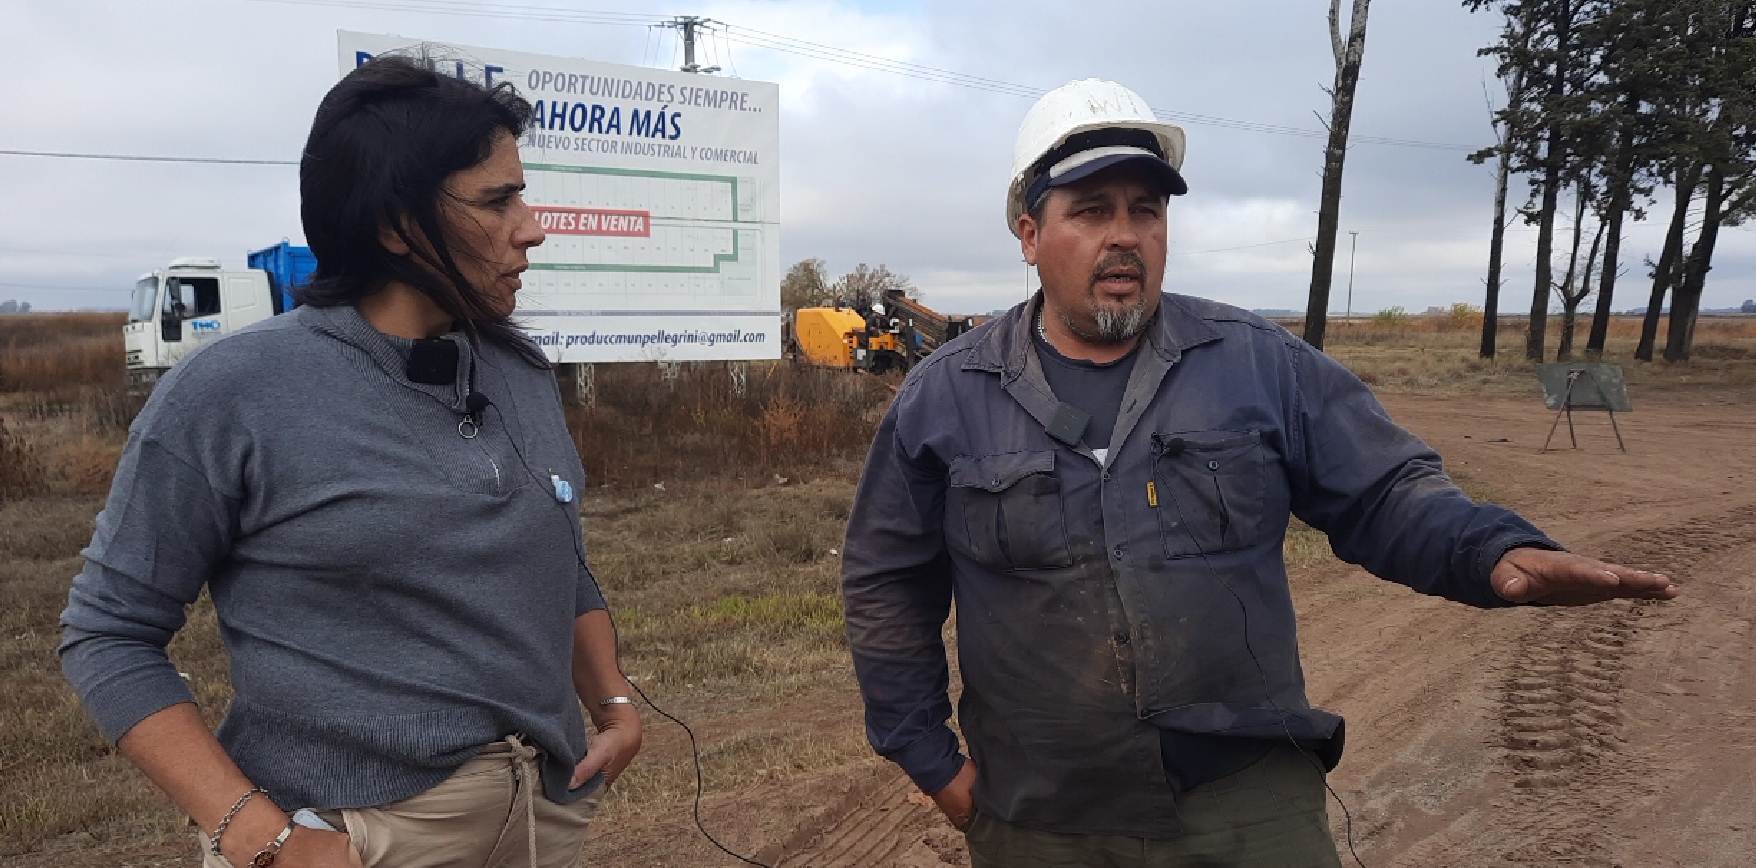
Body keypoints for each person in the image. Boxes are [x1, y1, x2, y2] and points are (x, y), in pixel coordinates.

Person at [839, 78, 1677, 868]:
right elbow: (886, 581)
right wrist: (934, 763)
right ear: (1029, 235)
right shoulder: (946, 396)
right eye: (1090, 210)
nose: (1124, 234)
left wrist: (1491, 550)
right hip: (1041, 818)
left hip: (1247, 802)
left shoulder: (1257, 364)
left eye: (1146, 210)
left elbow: (1385, 491)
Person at [59, 55, 641, 868]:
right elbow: (108, 631)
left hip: (542, 823)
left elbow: (561, 564)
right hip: (347, 842)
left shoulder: (520, 371)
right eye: (497, 200)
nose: (532, 226)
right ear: (397, 226)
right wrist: (261, 837)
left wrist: (612, 700)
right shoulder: (233, 390)